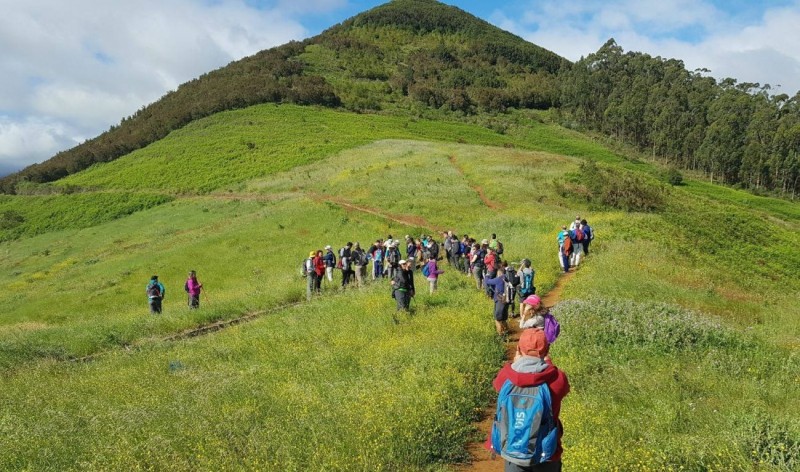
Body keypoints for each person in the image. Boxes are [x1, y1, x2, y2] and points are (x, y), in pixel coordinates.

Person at [487, 329, 570, 472]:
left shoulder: (506, 375)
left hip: (514, 449)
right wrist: (548, 362)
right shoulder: (557, 378)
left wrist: (516, 363)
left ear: (518, 349)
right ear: (547, 350)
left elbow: (497, 386)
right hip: (547, 453)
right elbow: (564, 390)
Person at [483, 267, 510, 337]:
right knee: (504, 319)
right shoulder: (507, 278)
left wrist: (487, 275)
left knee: (497, 320)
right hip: (506, 301)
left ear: (499, 272)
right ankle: (507, 333)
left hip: (500, 301)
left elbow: (487, 281)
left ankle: (500, 336)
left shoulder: (499, 279)